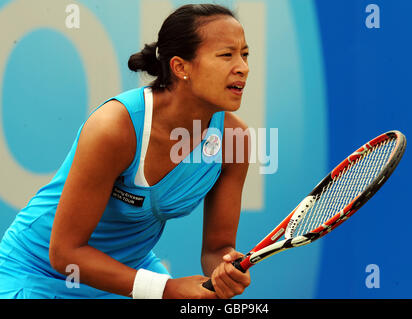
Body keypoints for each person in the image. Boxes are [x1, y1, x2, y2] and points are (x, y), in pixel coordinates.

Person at [0, 3, 252, 299]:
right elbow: (65, 253)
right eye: (226, 55)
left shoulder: (235, 139)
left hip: (126, 271)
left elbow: (216, 248)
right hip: (38, 271)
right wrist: (165, 288)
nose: (243, 67)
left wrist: (225, 270)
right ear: (180, 67)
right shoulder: (115, 128)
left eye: (245, 55)